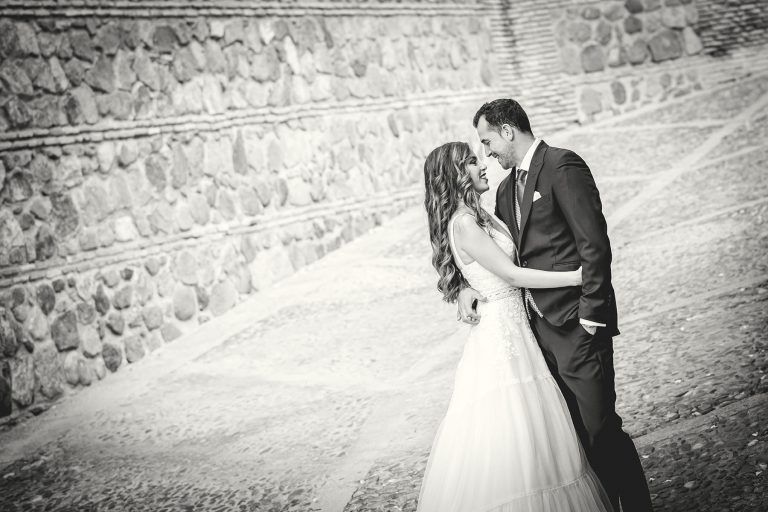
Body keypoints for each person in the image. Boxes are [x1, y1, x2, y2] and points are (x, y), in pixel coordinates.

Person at [458, 99, 653, 512]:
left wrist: (592, 316)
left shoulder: (562, 166)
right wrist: (463, 286)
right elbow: (498, 258)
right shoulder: (507, 189)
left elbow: (593, 245)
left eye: (488, 140)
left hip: (578, 326)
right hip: (536, 336)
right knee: (575, 441)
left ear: (508, 130)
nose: (487, 152)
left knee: (602, 429)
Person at [418, 141, 613, 512]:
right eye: (473, 161)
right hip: (499, 338)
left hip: (522, 330)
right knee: (513, 430)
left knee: (543, 430)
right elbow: (509, 272)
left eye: (481, 155)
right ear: (455, 176)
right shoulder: (462, 224)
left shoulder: (482, 214)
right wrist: (574, 278)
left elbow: (497, 261)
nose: (484, 164)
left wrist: (464, 286)